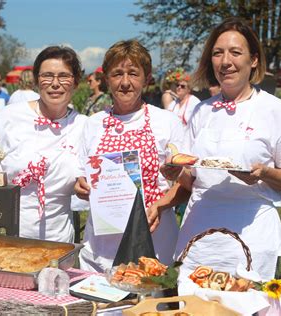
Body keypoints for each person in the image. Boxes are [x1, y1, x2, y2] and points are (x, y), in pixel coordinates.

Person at [150, 17, 281, 282]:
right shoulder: (202, 110)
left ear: (253, 60)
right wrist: (175, 173)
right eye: (218, 53)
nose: (225, 61)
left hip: (252, 231)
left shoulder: (274, 109)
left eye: (235, 52)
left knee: (246, 305)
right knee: (195, 306)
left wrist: (265, 173)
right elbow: (193, 180)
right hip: (200, 232)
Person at [74, 39, 184, 272]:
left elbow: (186, 183)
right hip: (101, 248)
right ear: (107, 79)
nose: (125, 82)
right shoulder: (92, 124)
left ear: (146, 77)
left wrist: (161, 206)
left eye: (133, 73)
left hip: (154, 244)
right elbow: (80, 177)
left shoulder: (167, 122)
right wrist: (82, 186)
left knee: (150, 308)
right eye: (117, 74)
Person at [0, 46, 87, 242]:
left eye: (64, 76)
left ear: (76, 82)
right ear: (36, 81)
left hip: (60, 241)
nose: (55, 83)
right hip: (8, 236)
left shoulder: (84, 127)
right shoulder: (9, 117)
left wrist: (85, 187)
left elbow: (88, 177)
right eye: (47, 76)